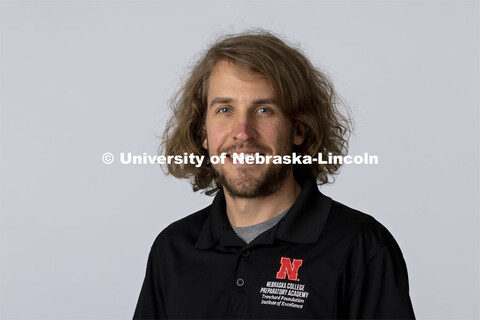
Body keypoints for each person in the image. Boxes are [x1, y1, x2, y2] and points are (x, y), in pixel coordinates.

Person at [133, 31, 415, 319]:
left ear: (299, 128)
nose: (242, 131)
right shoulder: (172, 249)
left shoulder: (361, 247)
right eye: (225, 109)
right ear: (202, 132)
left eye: (264, 110)